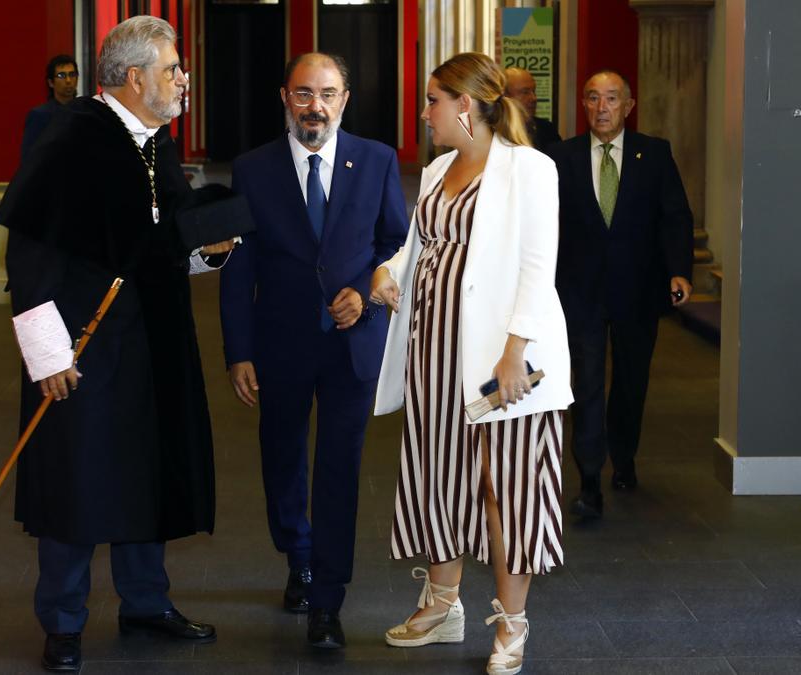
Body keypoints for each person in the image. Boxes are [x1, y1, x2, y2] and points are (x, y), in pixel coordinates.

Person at [0, 16, 235, 672]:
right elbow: (30, 252)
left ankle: (145, 600)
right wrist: (46, 356)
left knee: (145, 473)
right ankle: (64, 621)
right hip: (82, 351)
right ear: (134, 79)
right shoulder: (71, 139)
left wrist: (211, 250)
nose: (181, 81)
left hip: (150, 346)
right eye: (172, 70)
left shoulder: (155, 143)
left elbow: (166, 240)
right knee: (77, 481)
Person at [369, 52, 572, 675]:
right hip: (432, 349)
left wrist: (516, 351)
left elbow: (540, 266)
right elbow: (419, 243)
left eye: (433, 101)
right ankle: (443, 603)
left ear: (465, 105)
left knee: (503, 488)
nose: (424, 113)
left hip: (498, 359)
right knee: (438, 476)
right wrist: (387, 271)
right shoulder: (435, 170)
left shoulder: (530, 169)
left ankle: (511, 626)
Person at [218, 53, 408, 649]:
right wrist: (238, 349)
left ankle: (328, 596)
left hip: (352, 344)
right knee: (282, 460)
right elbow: (237, 265)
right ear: (284, 98)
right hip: (279, 344)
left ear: (345, 99)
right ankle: (297, 555)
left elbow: (394, 243)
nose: (315, 107)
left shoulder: (376, 160)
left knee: (338, 469)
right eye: (303, 94)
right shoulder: (252, 169)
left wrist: (368, 295)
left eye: (327, 94)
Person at [547, 70, 693, 520]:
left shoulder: (655, 153)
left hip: (637, 289)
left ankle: (623, 455)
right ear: (584, 105)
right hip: (580, 289)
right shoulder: (562, 158)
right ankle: (589, 478)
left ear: (628, 106)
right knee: (586, 383)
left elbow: (675, 216)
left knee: (631, 381)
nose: (602, 107)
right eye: (593, 98)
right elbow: (547, 225)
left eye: (611, 98)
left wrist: (680, 272)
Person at [21, 55, 79, 157]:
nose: (68, 80)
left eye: (72, 74)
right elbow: (30, 159)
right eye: (61, 76)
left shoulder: (84, 112)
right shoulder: (40, 116)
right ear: (51, 82)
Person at [504, 67, 560, 154]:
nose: (534, 98)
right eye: (525, 92)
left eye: (534, 91)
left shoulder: (547, 131)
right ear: (505, 96)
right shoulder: (491, 131)